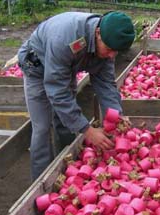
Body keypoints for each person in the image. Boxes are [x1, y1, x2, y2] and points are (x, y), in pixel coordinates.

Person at [18, 11, 135, 181]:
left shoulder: (107, 42)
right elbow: (57, 91)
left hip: (65, 68)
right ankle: (40, 182)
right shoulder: (67, 40)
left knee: (65, 122)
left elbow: (107, 85)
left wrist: (116, 116)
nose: (112, 55)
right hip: (37, 66)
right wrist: (87, 130)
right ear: (98, 33)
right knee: (42, 126)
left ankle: (66, 164)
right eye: (109, 49)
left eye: (115, 52)